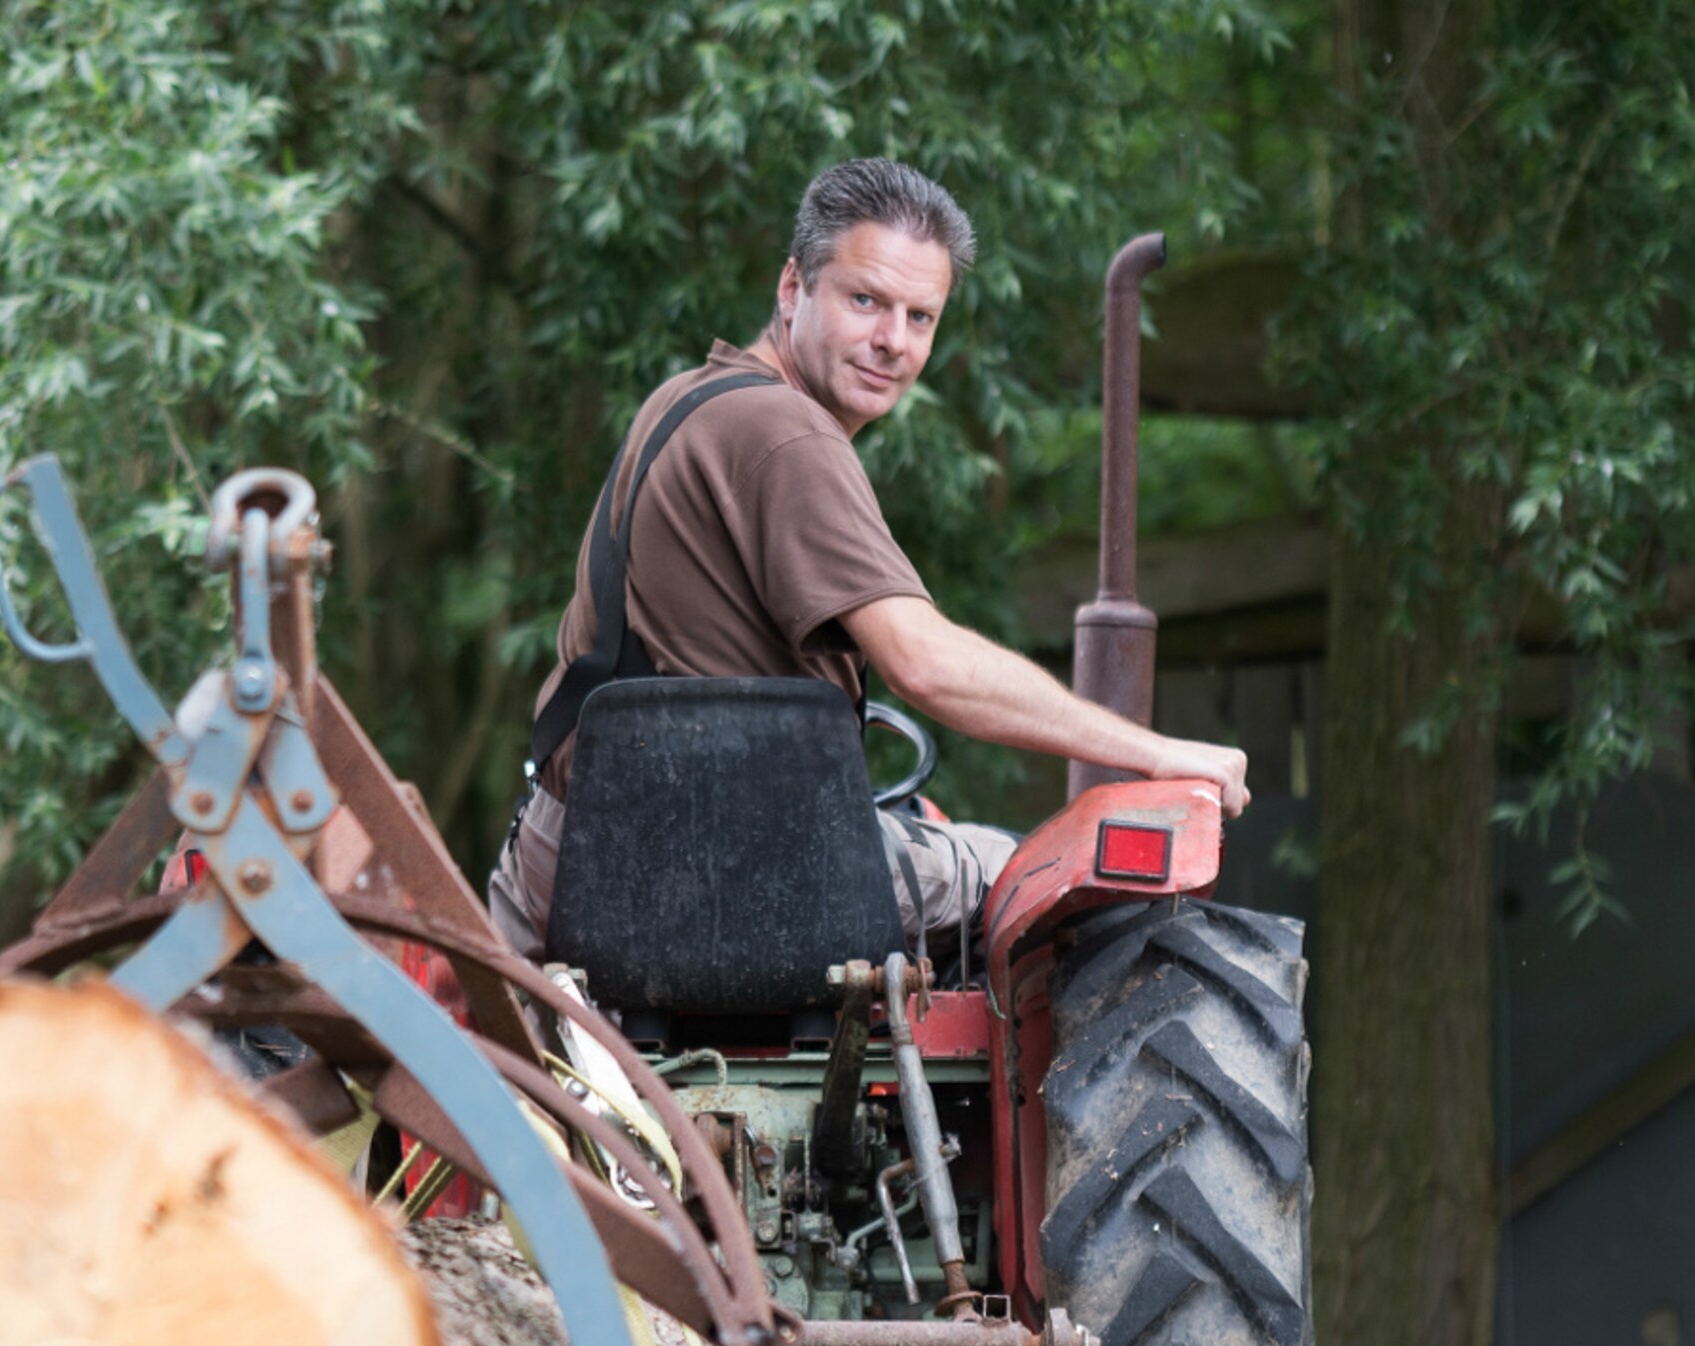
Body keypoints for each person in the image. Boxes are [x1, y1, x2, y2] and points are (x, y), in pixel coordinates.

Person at [489, 156, 1250, 964]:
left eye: (920, 317)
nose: (892, 341)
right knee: (1045, 882)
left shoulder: (688, 400)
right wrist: (1156, 753)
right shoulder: (787, 435)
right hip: (719, 872)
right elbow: (925, 664)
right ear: (793, 288)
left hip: (572, 857)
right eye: (865, 301)